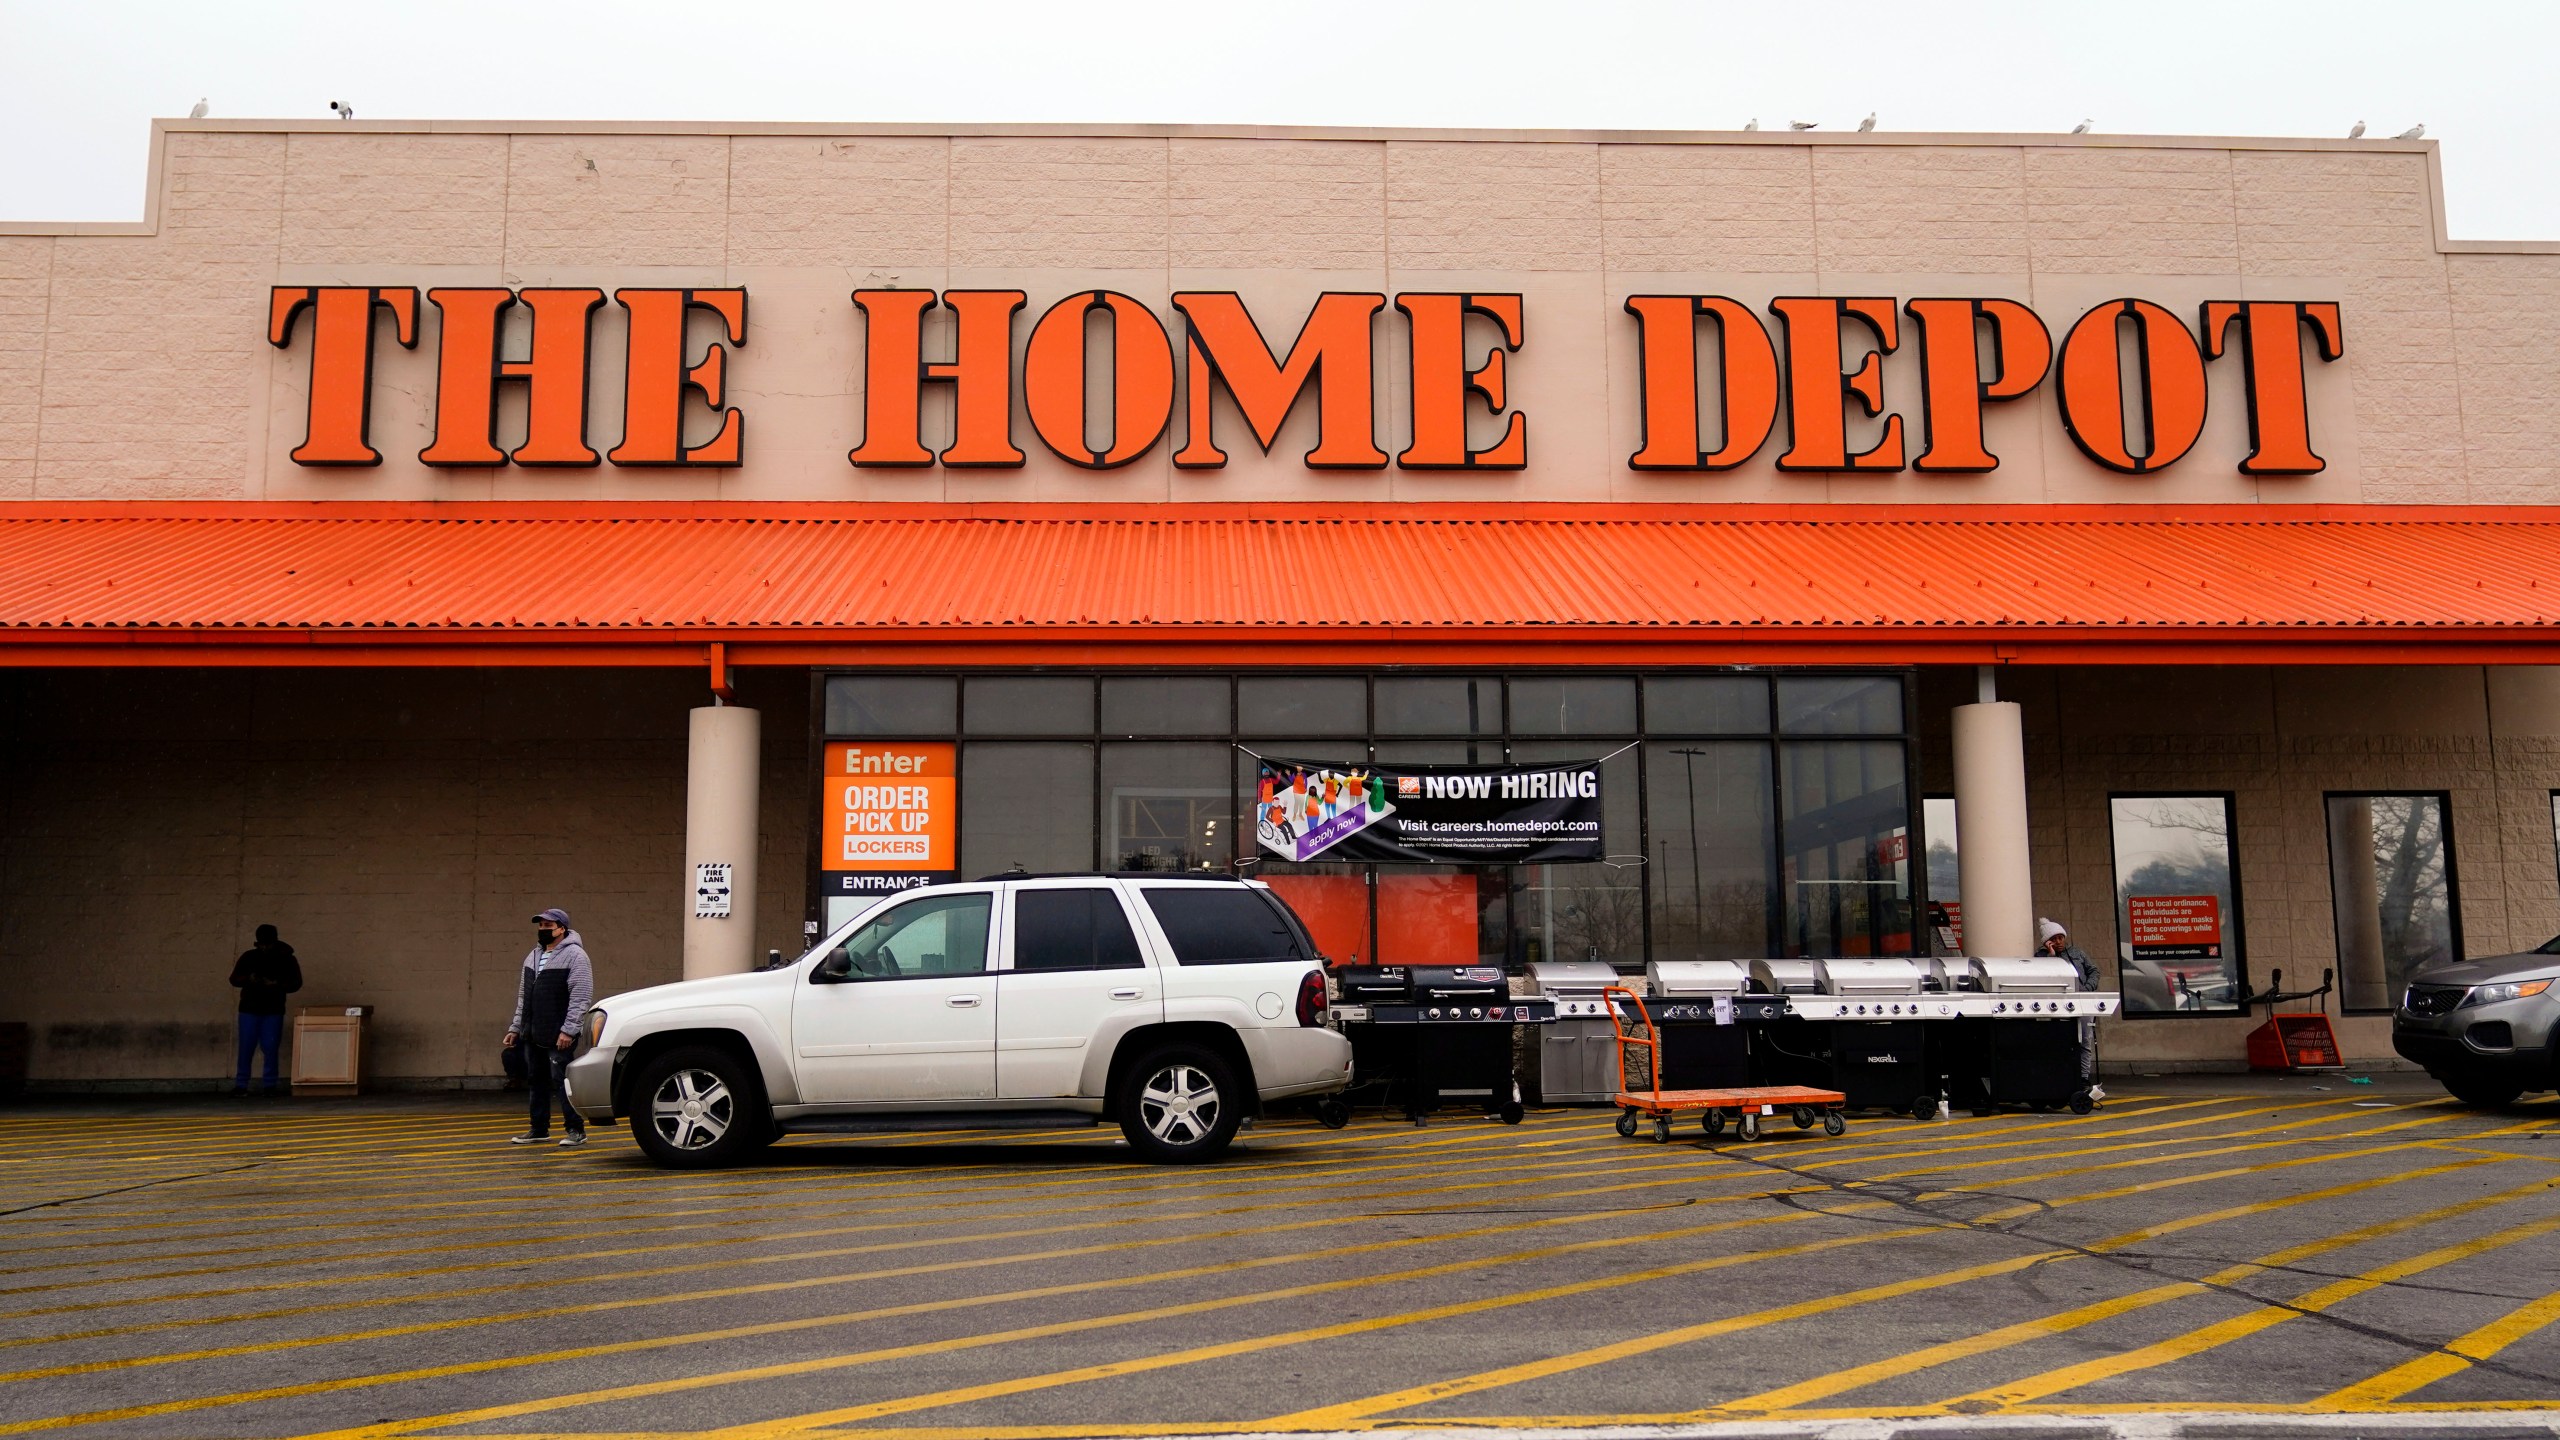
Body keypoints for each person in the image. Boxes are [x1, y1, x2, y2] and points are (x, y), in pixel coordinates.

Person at [503, 908, 593, 1147]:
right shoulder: (532, 956)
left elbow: (581, 996)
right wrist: (515, 1028)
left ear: (562, 929)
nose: (543, 930)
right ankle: (539, 1129)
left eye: (548, 926)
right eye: (540, 925)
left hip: (558, 1033)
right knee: (536, 1079)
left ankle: (576, 1130)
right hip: (533, 1032)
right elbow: (524, 997)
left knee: (562, 1081)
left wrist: (569, 1030)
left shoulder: (576, 956)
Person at [2038, 918, 2107, 1103]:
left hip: (2083, 1000)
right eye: (2054, 938)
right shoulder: (2041, 957)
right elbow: (2044, 975)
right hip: (2060, 1005)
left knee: (2085, 1039)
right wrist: (2051, 955)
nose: (2059, 942)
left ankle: (2083, 1077)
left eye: (2061, 937)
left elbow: (2094, 970)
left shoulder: (2077, 952)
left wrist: (2089, 988)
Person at [228, 924, 303, 1096]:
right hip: (272, 1007)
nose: (264, 947)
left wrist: (250, 979)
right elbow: (295, 983)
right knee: (268, 1047)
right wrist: (277, 984)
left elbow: (235, 979)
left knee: (251, 1047)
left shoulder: (250, 957)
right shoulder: (286, 958)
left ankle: (243, 1084)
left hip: (253, 1007)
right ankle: (268, 1085)